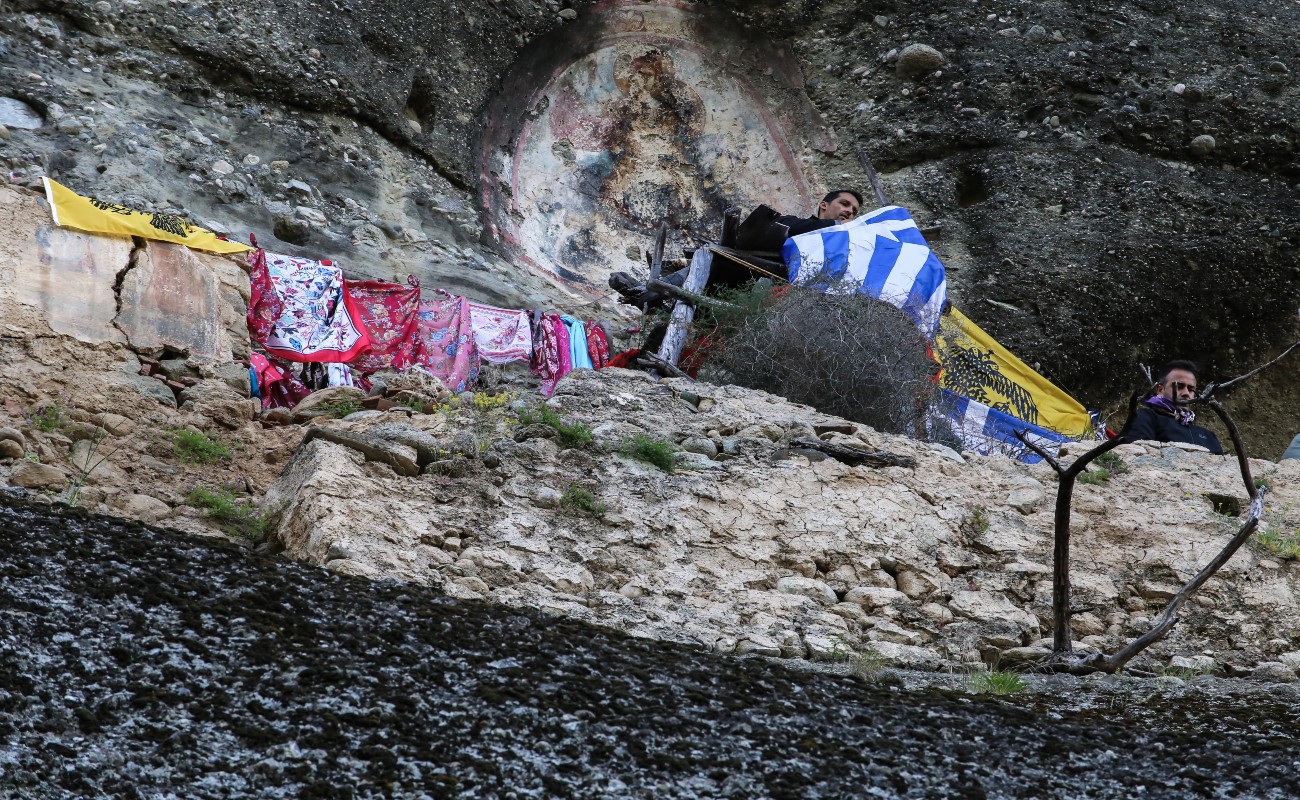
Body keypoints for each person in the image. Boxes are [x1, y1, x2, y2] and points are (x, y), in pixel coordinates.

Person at [1126, 360, 1223, 454]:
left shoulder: (1208, 436)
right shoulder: (1146, 417)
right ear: (1160, 390)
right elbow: (1137, 455)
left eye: (1191, 389)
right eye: (1179, 386)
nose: (1186, 393)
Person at [775, 189, 863, 237]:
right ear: (824, 205)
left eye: (854, 212)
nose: (850, 211)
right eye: (844, 204)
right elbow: (779, 224)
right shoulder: (792, 222)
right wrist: (836, 224)